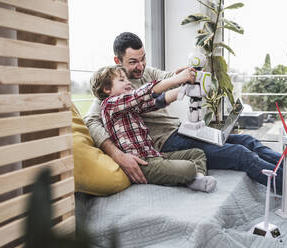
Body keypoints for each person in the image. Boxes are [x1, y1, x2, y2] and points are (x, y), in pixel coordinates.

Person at [84, 32, 287, 199]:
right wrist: (118, 155)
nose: (140, 67)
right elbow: (91, 122)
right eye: (132, 62)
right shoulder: (112, 92)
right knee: (240, 155)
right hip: (166, 143)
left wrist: (185, 71)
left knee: (246, 141)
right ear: (118, 60)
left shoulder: (144, 73)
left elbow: (167, 77)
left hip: (181, 130)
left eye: (143, 59)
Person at [90, 64, 216, 192]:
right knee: (189, 168)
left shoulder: (129, 107)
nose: (128, 82)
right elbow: (140, 94)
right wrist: (178, 79)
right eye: (122, 80)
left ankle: (197, 180)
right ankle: (192, 175)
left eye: (127, 79)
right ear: (106, 89)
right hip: (143, 163)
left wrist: (185, 89)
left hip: (153, 155)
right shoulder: (110, 105)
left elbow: (155, 102)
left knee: (198, 153)